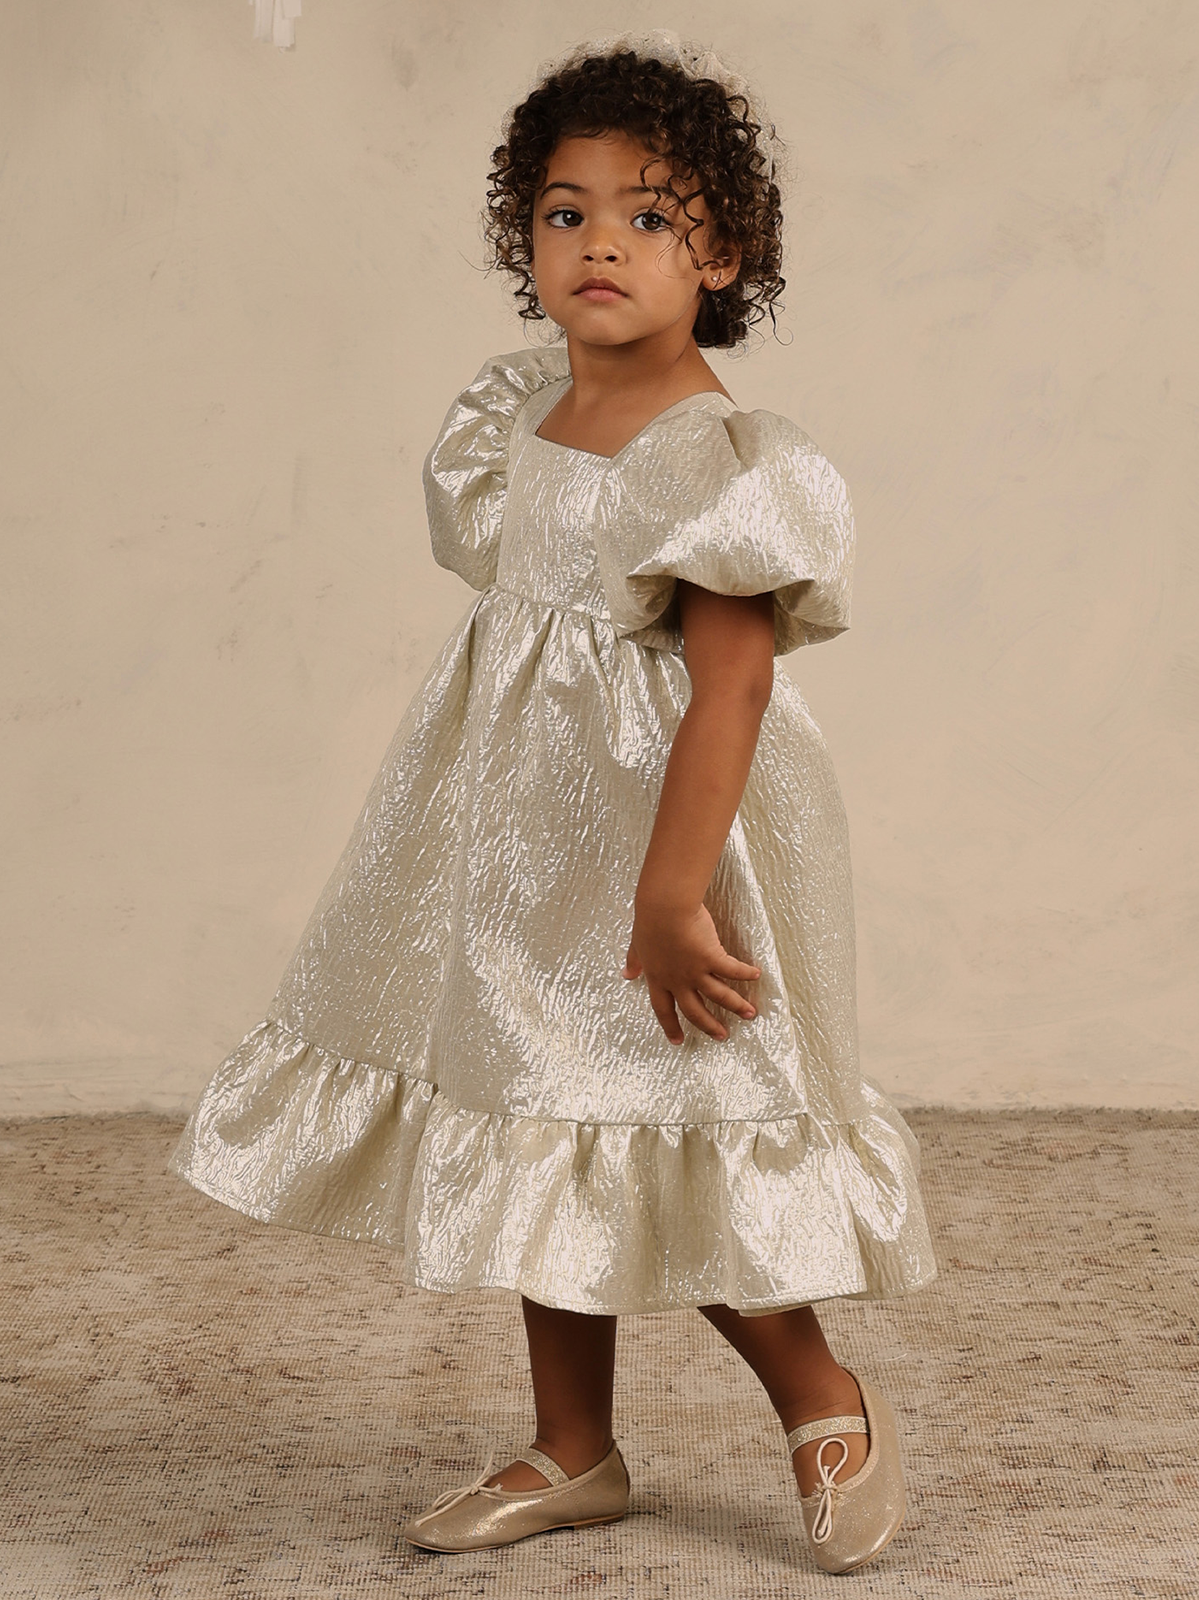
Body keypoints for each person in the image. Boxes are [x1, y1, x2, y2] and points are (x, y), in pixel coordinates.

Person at [169, 30, 937, 1575]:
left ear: (720, 254)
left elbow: (727, 692)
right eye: (564, 211)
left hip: (669, 837)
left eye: (649, 217)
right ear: (523, 240)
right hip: (518, 834)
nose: (601, 243)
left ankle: (816, 1389)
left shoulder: (723, 459)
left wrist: (670, 894)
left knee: (686, 1123)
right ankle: (572, 1445)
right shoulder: (514, 418)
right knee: (538, 1110)